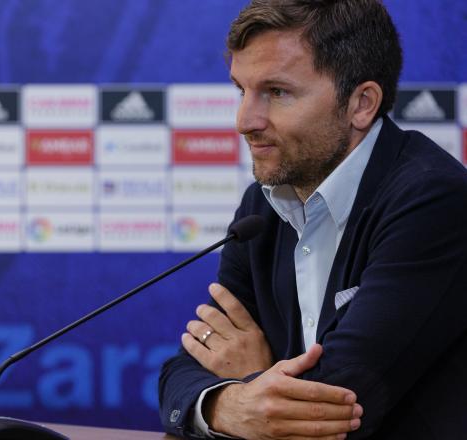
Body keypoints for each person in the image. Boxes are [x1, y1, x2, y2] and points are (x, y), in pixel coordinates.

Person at [158, 1, 467, 439]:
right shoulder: (261, 208)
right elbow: (184, 369)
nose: (245, 121)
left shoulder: (433, 201)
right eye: (240, 90)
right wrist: (230, 403)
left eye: (277, 92)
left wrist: (252, 376)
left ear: (361, 104)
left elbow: (337, 404)